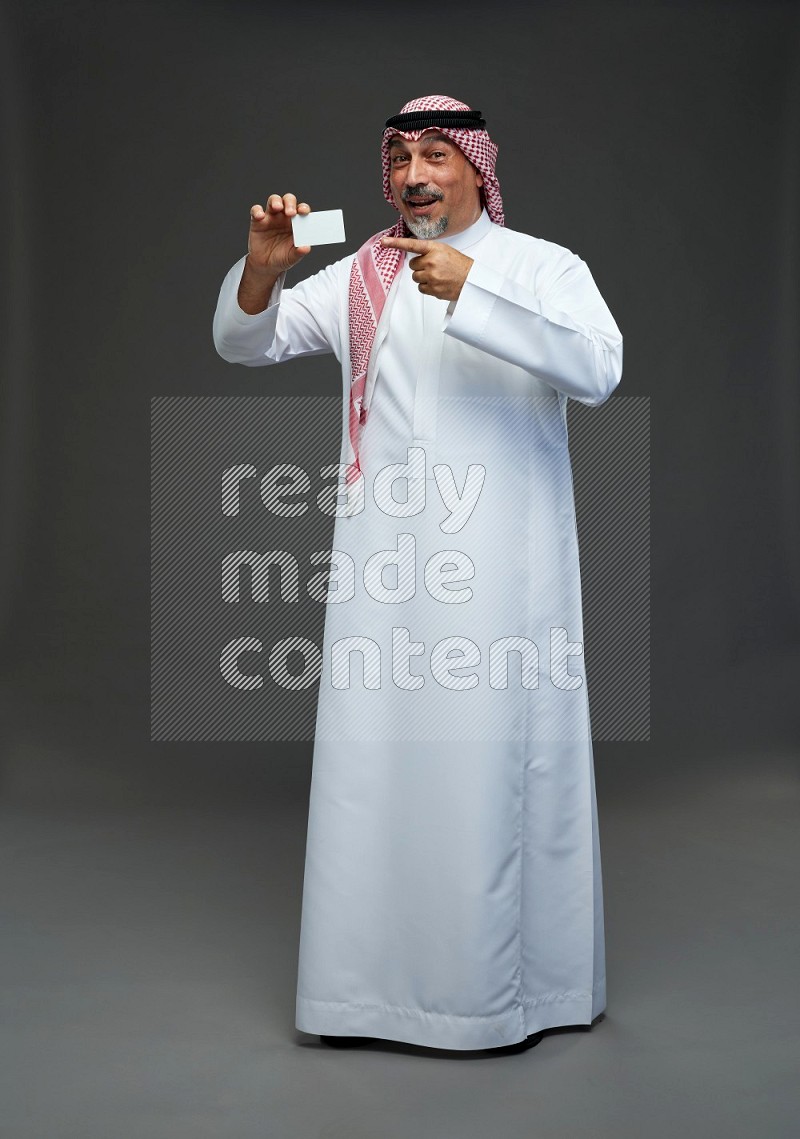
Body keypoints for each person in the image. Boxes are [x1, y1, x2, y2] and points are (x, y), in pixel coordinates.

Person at [213, 95, 623, 1053]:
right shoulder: (363, 269)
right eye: (400, 157)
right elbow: (246, 343)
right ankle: (365, 997)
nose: (415, 175)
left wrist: (473, 292)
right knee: (373, 770)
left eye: (436, 154)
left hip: (499, 573)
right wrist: (261, 277)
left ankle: (493, 1000)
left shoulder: (541, 264)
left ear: (479, 166)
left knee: (484, 769)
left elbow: (598, 370)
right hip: (381, 568)